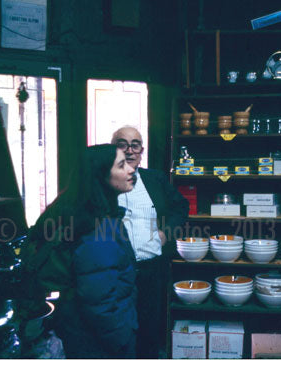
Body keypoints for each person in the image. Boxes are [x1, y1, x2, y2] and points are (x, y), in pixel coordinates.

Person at [26, 144, 138, 358]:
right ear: (101, 176)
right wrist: (122, 337)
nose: (131, 169)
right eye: (121, 165)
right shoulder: (95, 231)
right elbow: (99, 302)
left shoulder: (90, 213)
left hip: (86, 333)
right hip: (99, 341)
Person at [111, 126, 189, 358]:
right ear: (114, 148)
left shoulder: (155, 179)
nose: (130, 150)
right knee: (118, 330)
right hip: (115, 271)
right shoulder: (104, 181)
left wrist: (166, 233)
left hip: (151, 268)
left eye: (135, 144)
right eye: (122, 144)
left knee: (148, 332)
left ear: (142, 150)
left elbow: (181, 207)